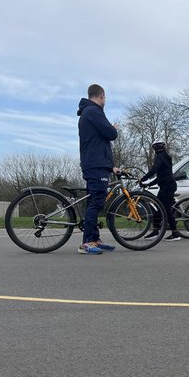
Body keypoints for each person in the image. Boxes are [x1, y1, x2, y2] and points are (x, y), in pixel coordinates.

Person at [77, 84, 119, 254]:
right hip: (95, 165)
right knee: (96, 203)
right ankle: (87, 242)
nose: (105, 101)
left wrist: (110, 166)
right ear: (101, 96)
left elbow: (97, 141)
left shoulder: (88, 112)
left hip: (96, 164)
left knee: (95, 202)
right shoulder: (93, 111)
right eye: (105, 97)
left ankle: (95, 239)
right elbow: (110, 134)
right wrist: (113, 128)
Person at [140, 140, 180, 240]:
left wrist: (143, 178)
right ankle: (155, 231)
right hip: (166, 185)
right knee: (158, 207)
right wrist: (149, 184)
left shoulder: (160, 157)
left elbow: (154, 169)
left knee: (165, 209)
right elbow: (161, 176)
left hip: (168, 186)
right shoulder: (165, 156)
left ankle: (175, 233)